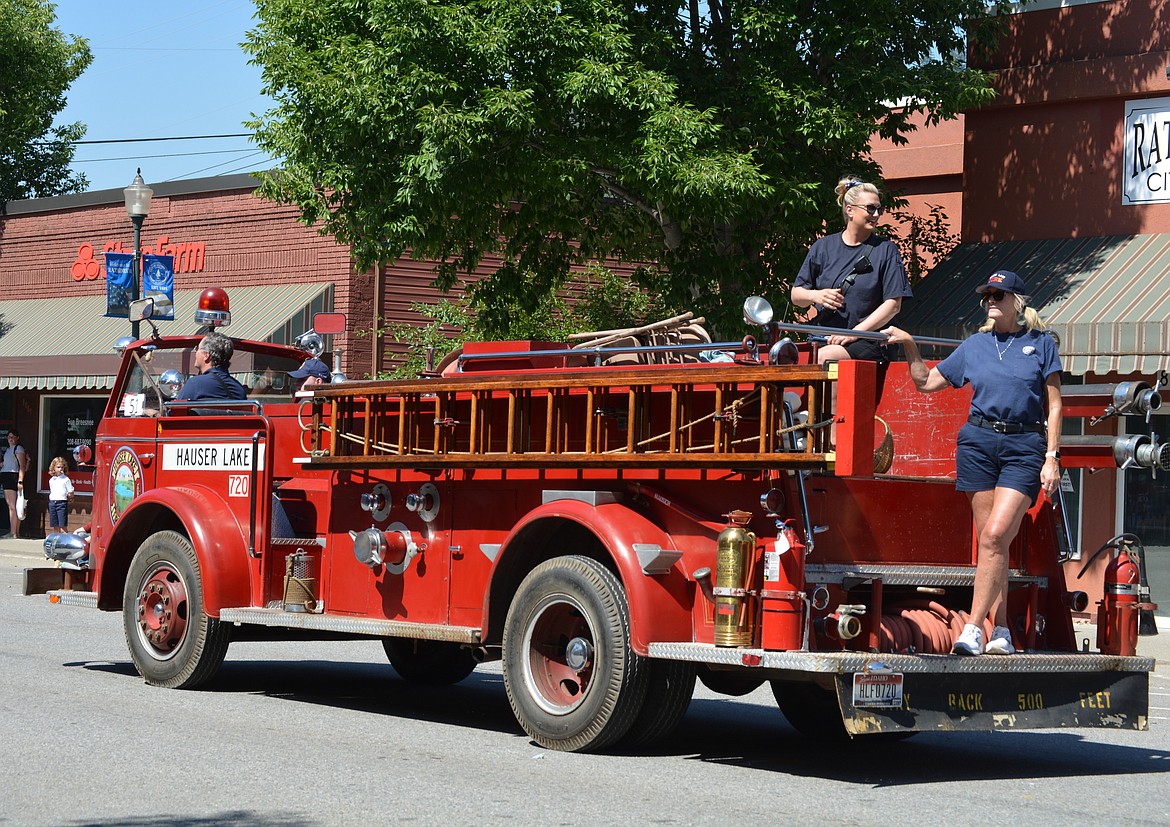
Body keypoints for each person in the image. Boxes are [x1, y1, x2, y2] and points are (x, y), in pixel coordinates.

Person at [883, 270, 1062, 656]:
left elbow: (1056, 404)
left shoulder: (1041, 344)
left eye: (998, 295)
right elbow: (927, 384)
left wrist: (1051, 458)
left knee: (996, 537)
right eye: (987, 296)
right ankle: (1000, 630)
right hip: (978, 443)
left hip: (1023, 446)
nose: (991, 301)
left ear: (1018, 301)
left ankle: (973, 629)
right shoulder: (975, 345)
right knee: (991, 546)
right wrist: (911, 346)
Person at [791, 176, 913, 365]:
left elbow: (893, 305)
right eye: (870, 208)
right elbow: (796, 296)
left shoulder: (886, 250)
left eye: (879, 209)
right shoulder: (822, 247)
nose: (876, 214)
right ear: (849, 210)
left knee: (825, 358)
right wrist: (816, 296)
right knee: (787, 356)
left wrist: (854, 333)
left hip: (868, 339)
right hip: (825, 337)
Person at [176, 332, 247, 402]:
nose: (196, 352)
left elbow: (176, 411)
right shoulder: (239, 389)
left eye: (197, 348)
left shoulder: (195, 383)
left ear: (206, 355)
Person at [1, 430, 29, 538]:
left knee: (13, 506)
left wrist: (20, 480)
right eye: (9, 437)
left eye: (12, 437)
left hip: (13, 476)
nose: (10, 439)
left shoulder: (18, 449)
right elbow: (6, 463)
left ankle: (13, 532)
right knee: (12, 506)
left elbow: (22, 466)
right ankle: (15, 532)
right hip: (6, 475)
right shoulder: (8, 450)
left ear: (17, 438)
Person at [47, 456, 75, 534]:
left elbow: (70, 491)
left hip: (61, 503)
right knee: (55, 526)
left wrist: (70, 496)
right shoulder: (52, 480)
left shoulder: (66, 479)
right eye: (58, 467)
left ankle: (64, 541)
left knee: (62, 526)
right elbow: (52, 490)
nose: (60, 469)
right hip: (53, 502)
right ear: (54, 468)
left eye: (62, 467)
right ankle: (56, 541)